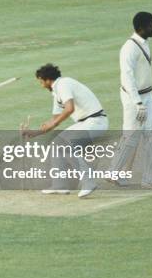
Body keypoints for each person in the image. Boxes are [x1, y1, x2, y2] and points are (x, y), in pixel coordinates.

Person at [21, 64, 108, 198]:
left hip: (96, 122)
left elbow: (69, 109)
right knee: (56, 145)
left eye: (41, 81)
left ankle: (88, 181)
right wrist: (34, 133)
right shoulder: (56, 92)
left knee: (66, 145)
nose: (41, 85)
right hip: (85, 123)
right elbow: (54, 120)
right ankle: (60, 185)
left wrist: (54, 123)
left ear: (48, 80)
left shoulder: (63, 84)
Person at [108, 12, 152, 189]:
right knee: (131, 137)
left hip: (148, 96)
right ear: (141, 27)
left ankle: (149, 180)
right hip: (135, 99)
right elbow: (127, 77)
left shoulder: (145, 43)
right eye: (151, 25)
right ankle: (113, 172)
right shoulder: (129, 48)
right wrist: (137, 103)